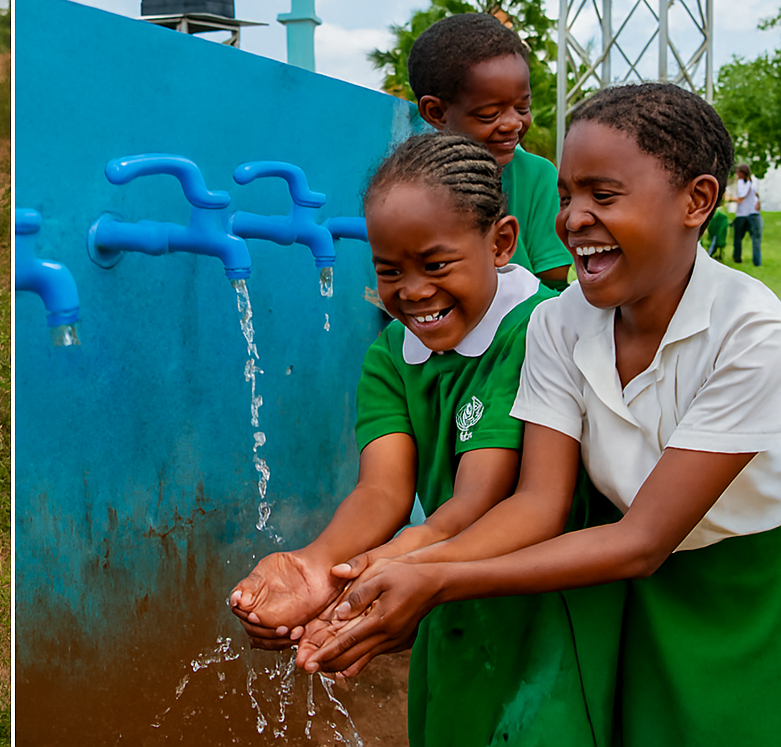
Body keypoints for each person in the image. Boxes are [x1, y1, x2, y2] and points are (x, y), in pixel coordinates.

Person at [302, 83, 781, 745]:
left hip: (742, 589)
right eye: (566, 196)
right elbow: (539, 504)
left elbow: (643, 541)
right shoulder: (561, 323)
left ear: (696, 201)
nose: (574, 218)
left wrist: (435, 578)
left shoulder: (753, 335)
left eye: (602, 196)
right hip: (610, 585)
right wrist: (407, 571)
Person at [227, 133, 616, 746]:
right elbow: (382, 489)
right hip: (444, 594)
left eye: (436, 265)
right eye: (389, 270)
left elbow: (476, 501)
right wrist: (319, 564)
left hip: (547, 600)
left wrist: (383, 563)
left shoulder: (538, 330)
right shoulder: (390, 355)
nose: (412, 290)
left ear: (501, 243)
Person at [409, 13, 573, 290]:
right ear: (435, 112)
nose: (513, 123)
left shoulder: (537, 176)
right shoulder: (412, 186)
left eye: (523, 108)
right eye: (489, 114)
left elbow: (557, 281)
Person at [731, 162, 762, 265]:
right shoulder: (752, 182)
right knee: (755, 239)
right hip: (751, 213)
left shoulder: (744, 183)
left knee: (739, 238)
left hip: (744, 214)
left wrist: (728, 199)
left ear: (742, 173)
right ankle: (755, 261)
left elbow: (741, 196)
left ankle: (739, 258)